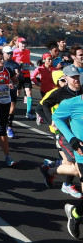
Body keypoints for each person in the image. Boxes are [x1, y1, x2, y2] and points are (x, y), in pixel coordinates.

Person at [40, 65, 83, 199]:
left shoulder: (80, 91)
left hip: (78, 131)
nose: (76, 79)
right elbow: (42, 107)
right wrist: (51, 121)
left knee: (75, 167)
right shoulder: (59, 93)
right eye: (73, 77)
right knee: (77, 168)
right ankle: (64, 182)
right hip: (66, 134)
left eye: (77, 76)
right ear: (65, 78)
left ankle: (51, 169)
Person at [52, 70, 83, 239]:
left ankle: (76, 212)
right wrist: (72, 139)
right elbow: (57, 118)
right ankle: (75, 214)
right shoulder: (71, 103)